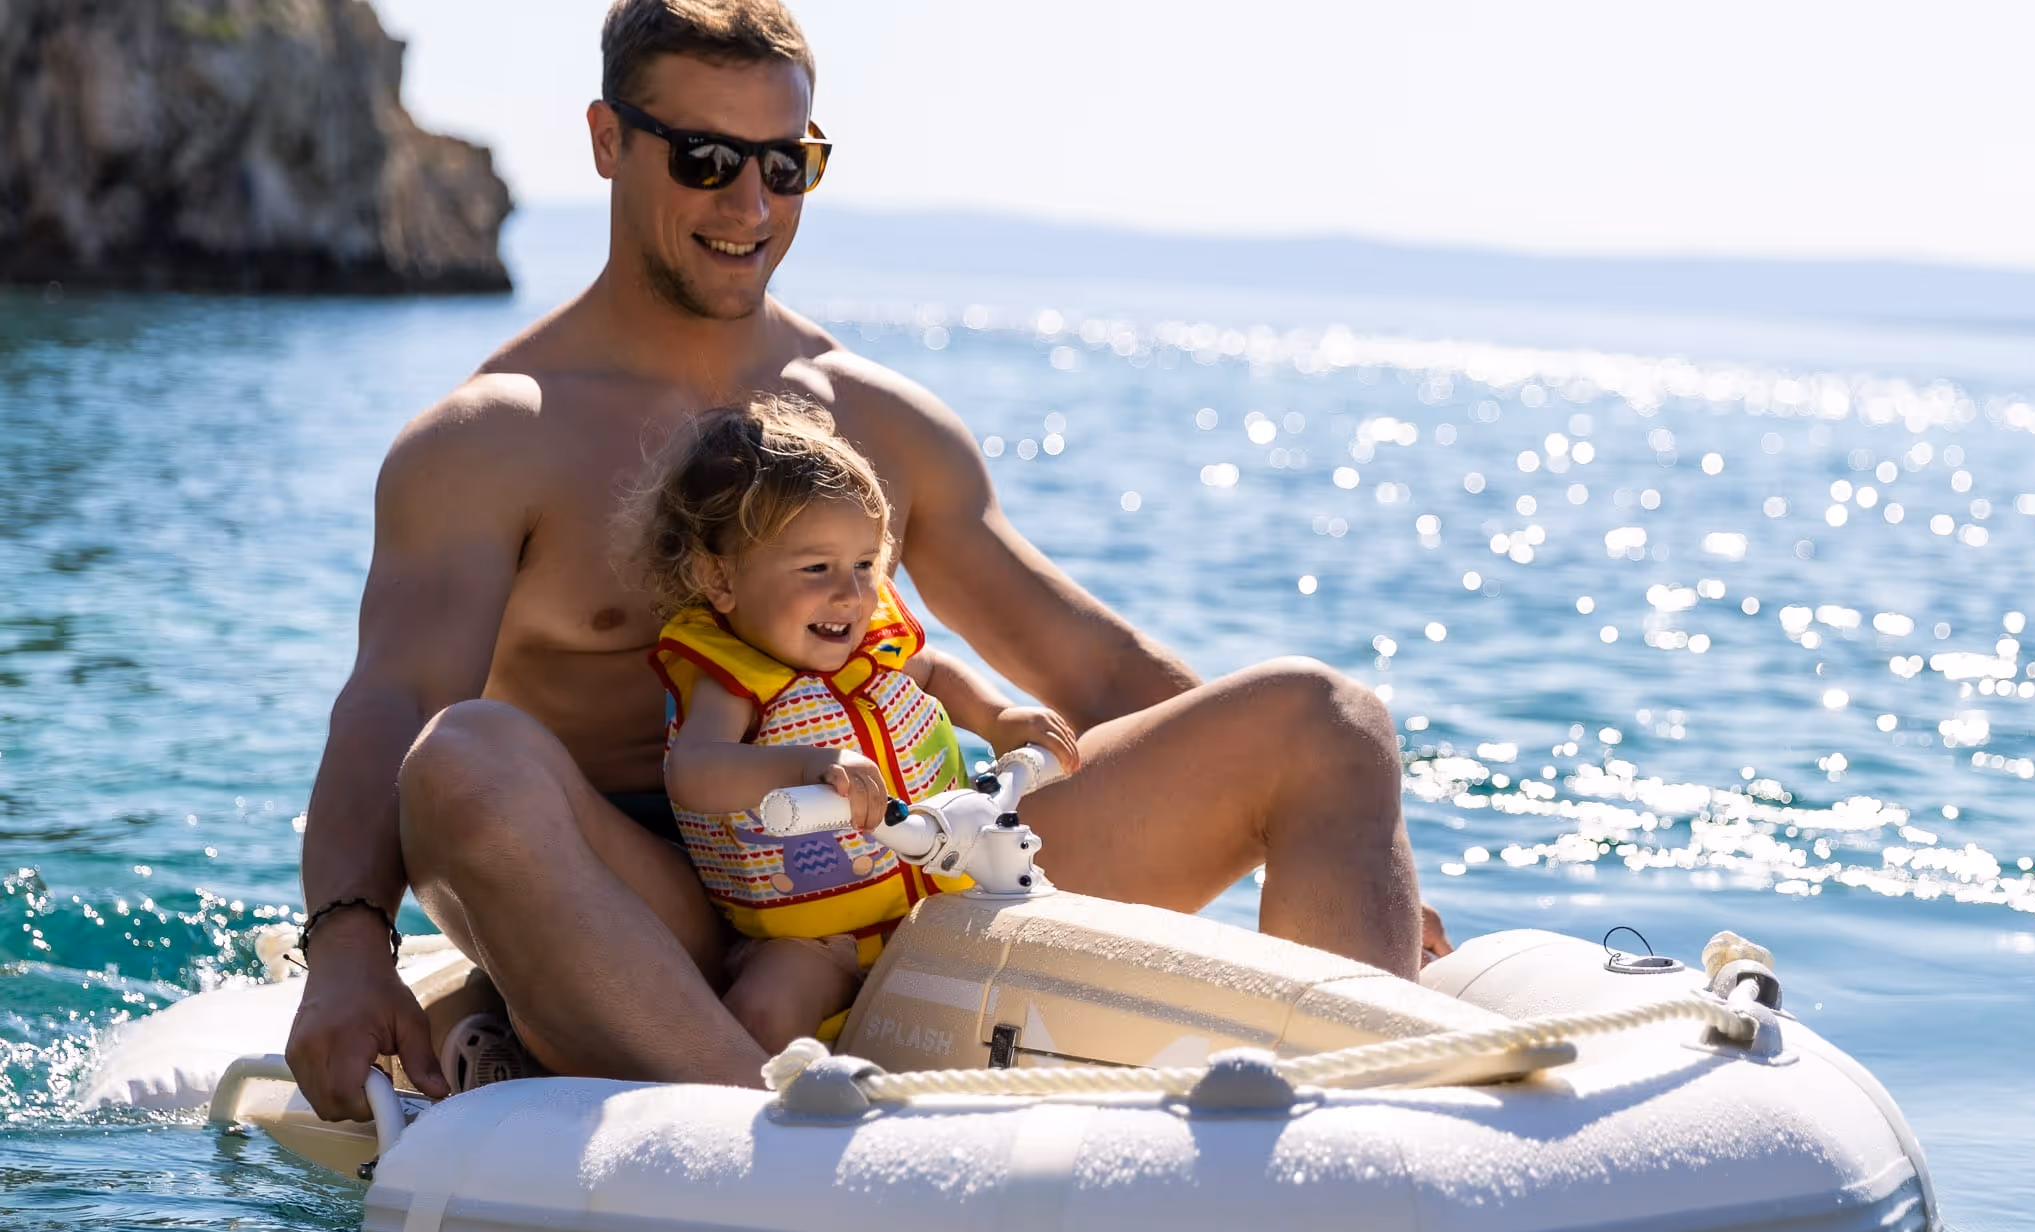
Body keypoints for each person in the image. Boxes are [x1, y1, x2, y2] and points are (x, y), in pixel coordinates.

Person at [284, 0, 1447, 1121]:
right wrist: (343, 947)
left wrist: (1363, 846)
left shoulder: (869, 418)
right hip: (667, 912)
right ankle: (757, 1128)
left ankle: (1372, 1120)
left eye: (786, 164)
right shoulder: (494, 437)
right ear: (606, 141)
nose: (750, 202)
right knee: (465, 758)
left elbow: (1088, 670)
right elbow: (394, 703)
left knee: (1327, 718)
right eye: (704, 157)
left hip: (905, 870)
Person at [633, 394, 1079, 1050]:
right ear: (718, 576)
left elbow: (931, 671)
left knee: (1047, 939)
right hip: (814, 943)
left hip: (938, 906)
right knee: (767, 1002)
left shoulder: (874, 649)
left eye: (865, 565)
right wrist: (811, 764)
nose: (850, 593)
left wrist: (997, 715)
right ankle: (757, 1112)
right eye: (817, 567)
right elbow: (694, 772)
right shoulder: (733, 679)